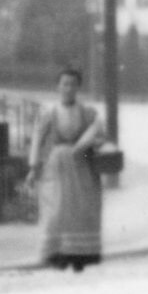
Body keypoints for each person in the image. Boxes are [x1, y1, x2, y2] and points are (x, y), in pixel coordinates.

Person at [30, 65, 108, 273]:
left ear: (78, 87)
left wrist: (92, 142)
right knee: (56, 210)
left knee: (81, 210)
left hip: (81, 164)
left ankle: (80, 255)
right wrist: (33, 166)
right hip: (56, 167)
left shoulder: (88, 113)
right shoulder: (48, 113)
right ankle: (56, 254)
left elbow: (100, 137)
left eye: (73, 84)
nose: (68, 88)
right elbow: (37, 139)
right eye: (64, 84)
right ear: (58, 86)